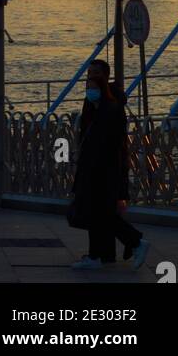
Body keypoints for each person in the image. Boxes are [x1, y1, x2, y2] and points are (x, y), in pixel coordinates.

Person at [70, 58, 150, 272]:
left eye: (95, 75)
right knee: (99, 213)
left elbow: (109, 144)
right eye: (89, 76)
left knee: (101, 213)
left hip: (103, 170)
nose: (90, 80)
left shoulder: (110, 108)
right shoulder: (95, 105)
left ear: (104, 77)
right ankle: (102, 255)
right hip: (95, 168)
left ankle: (133, 242)